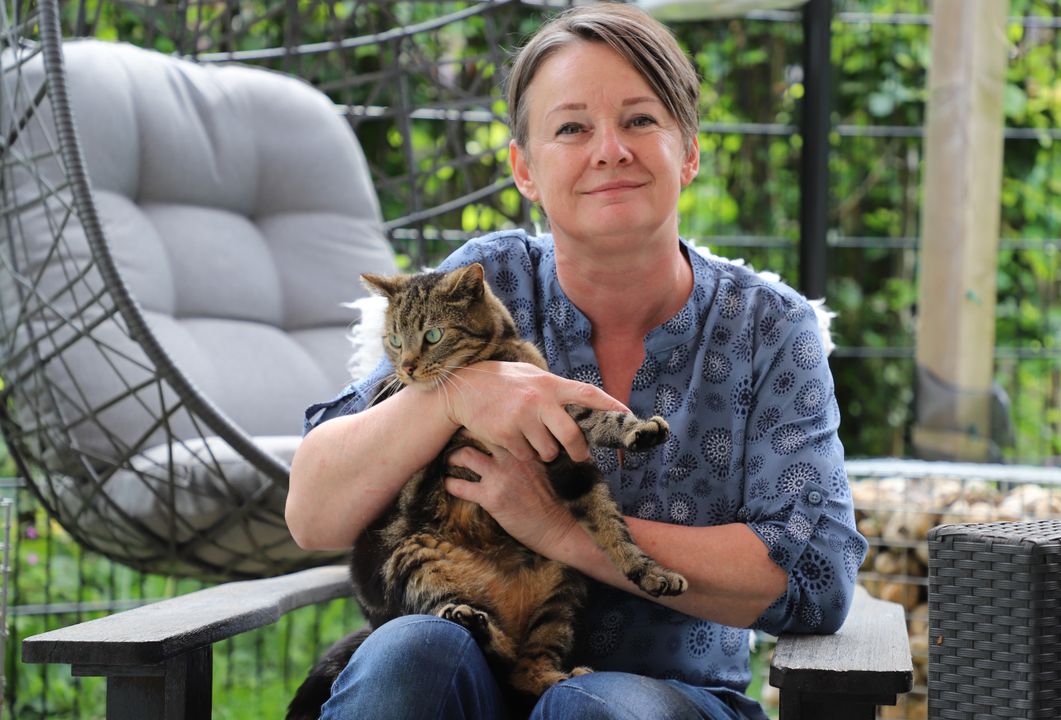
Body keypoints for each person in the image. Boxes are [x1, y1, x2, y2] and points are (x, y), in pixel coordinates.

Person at [286, 3, 866, 719]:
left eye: (639, 120)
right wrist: (452, 398)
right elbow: (312, 513)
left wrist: (561, 530)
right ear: (525, 169)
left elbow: (813, 576)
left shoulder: (771, 328)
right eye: (571, 128)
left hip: (670, 696)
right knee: (407, 658)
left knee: (593, 710)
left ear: (688, 150)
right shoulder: (481, 285)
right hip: (465, 667)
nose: (609, 150)